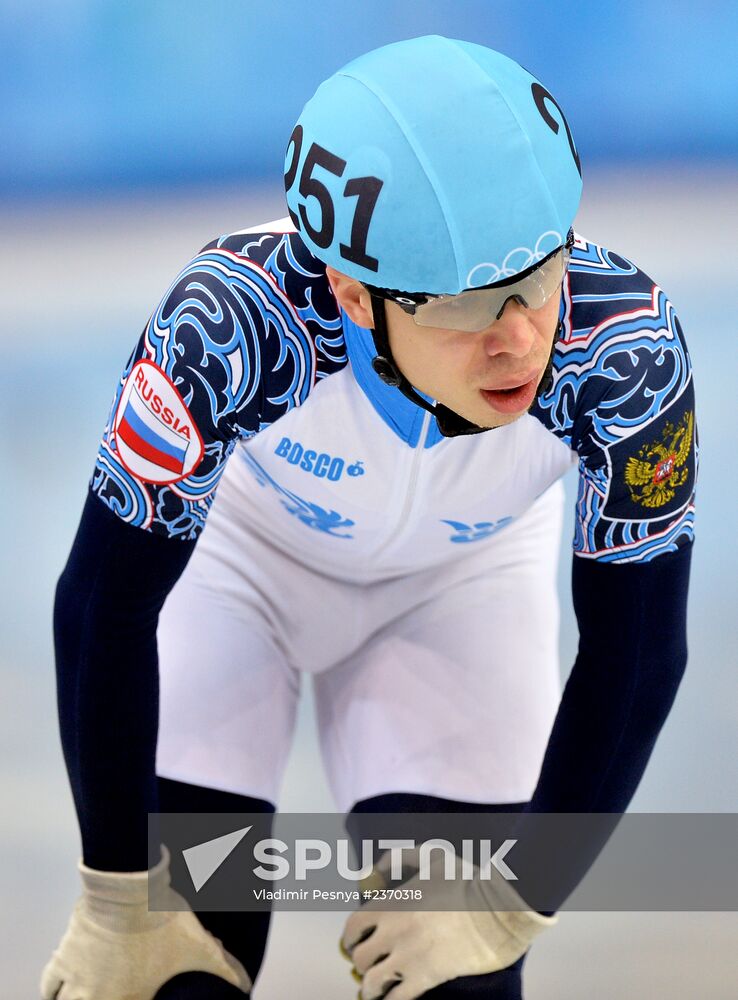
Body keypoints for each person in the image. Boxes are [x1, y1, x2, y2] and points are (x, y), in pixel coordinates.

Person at [42, 34, 696, 1000]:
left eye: (540, 277)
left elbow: (638, 653)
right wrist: (113, 897)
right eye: (472, 302)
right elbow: (103, 603)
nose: (521, 337)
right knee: (176, 969)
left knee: (458, 980)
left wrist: (514, 903)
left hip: (458, 591)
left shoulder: (622, 348)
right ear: (352, 294)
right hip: (237, 573)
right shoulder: (233, 326)